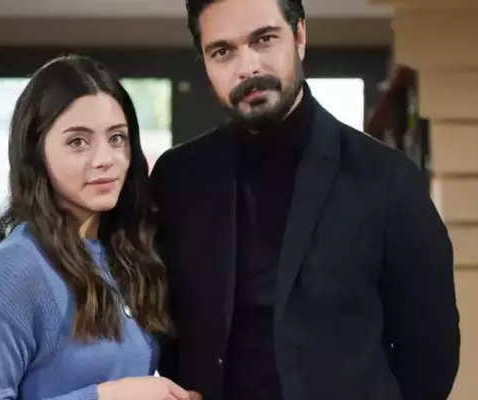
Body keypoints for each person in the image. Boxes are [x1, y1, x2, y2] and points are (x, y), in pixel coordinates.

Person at [150, 0, 461, 399]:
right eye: (222, 51)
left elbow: (431, 350)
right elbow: (165, 327)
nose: (247, 67)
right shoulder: (177, 178)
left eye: (264, 39)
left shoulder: (386, 178)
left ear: (299, 36)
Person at [0, 55, 191, 400]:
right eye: (78, 142)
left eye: (117, 138)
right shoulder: (15, 272)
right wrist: (106, 397)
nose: (105, 159)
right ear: (36, 151)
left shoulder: (123, 251)